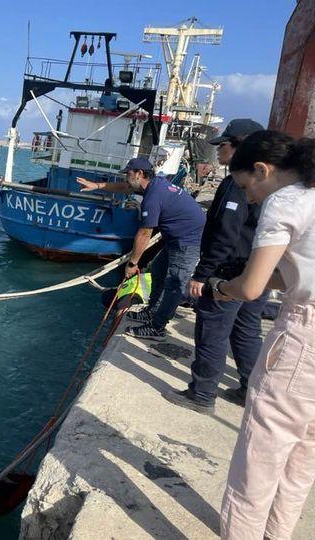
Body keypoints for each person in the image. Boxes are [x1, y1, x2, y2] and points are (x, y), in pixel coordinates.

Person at [209, 130, 315, 539]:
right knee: (301, 465)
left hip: (302, 341)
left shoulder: (284, 201)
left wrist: (222, 289)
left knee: (257, 465)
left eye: (245, 184)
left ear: (262, 170)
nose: (248, 196)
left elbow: (252, 288)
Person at [166, 119, 266, 414]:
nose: (219, 149)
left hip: (227, 274)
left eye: (223, 144)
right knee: (247, 332)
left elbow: (225, 234)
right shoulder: (264, 186)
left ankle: (201, 393)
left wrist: (202, 274)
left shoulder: (237, 184)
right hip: (253, 271)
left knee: (212, 331)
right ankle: (250, 388)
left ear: (240, 147)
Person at [77, 157, 205, 341]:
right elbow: (125, 188)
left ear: (139, 174)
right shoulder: (155, 183)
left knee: (174, 283)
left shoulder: (153, 197)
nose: (125, 178)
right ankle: (152, 311)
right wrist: (97, 186)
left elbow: (144, 234)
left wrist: (132, 263)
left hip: (188, 240)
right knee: (158, 271)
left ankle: (158, 328)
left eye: (128, 174)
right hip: (175, 237)